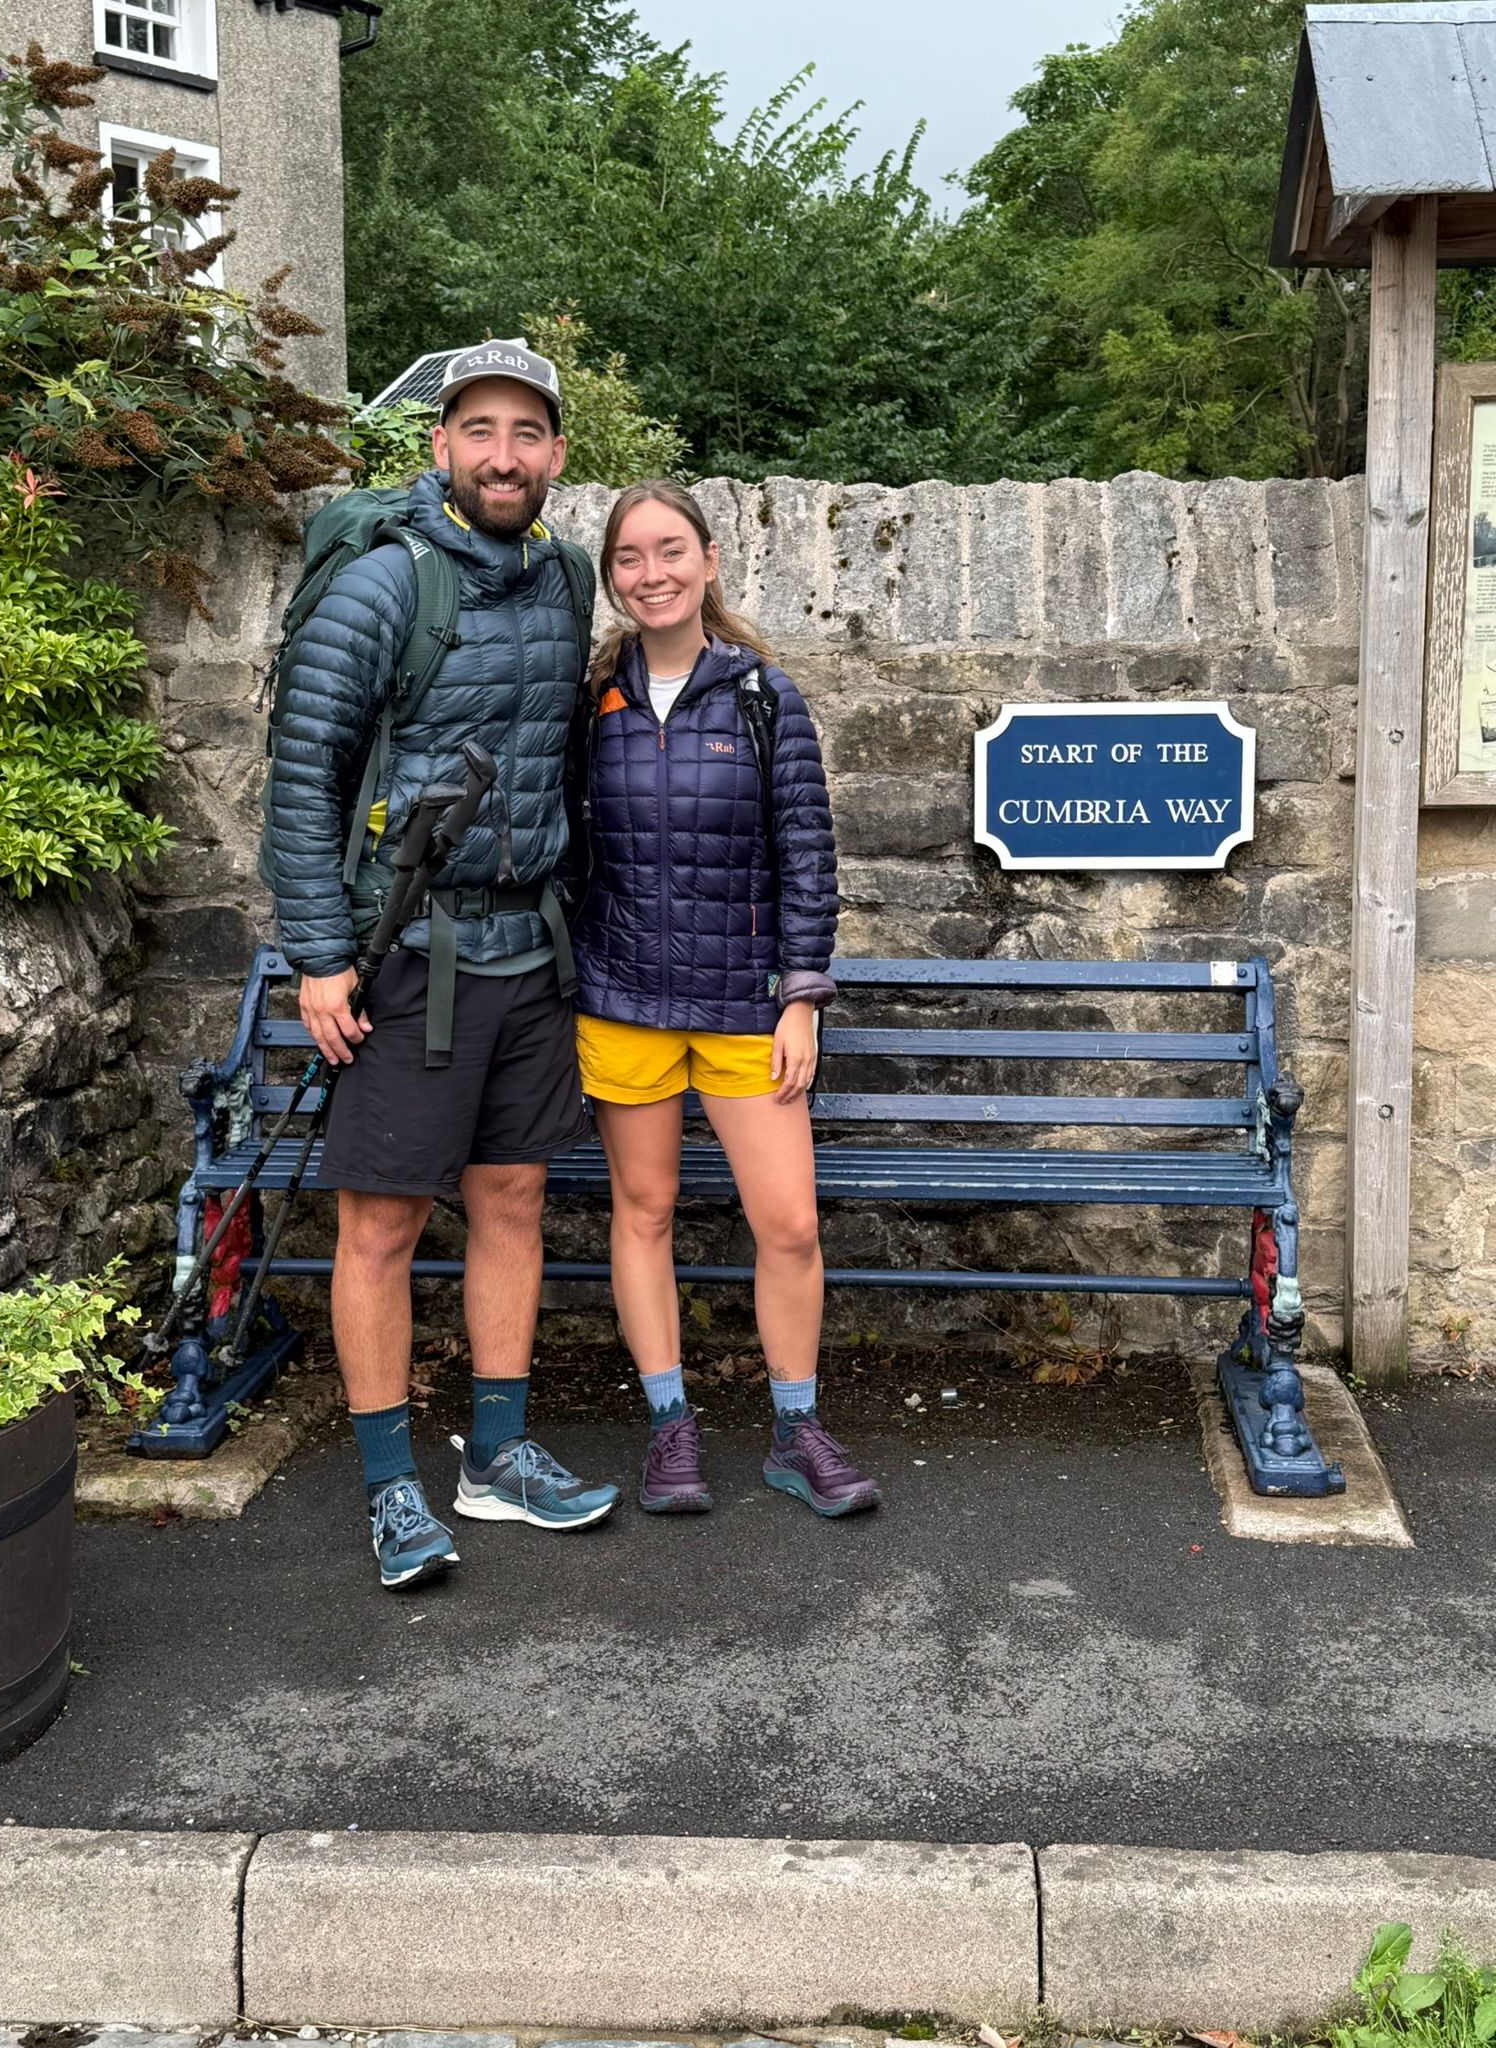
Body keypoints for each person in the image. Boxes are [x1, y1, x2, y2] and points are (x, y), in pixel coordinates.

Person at [269, 339, 619, 1591]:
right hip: (408, 954)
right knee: (382, 1223)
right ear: (440, 447)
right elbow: (302, 776)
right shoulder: (383, 587)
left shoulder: (567, 577)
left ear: (557, 456)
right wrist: (320, 957)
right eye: (481, 431)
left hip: (529, 950)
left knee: (512, 1199)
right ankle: (389, 1486)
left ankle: (501, 1454)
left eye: (528, 434)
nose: (505, 455)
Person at [570, 481, 880, 1519]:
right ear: (613, 575)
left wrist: (802, 997)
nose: (650, 573)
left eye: (669, 551)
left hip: (747, 1006)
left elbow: (807, 855)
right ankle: (669, 1425)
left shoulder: (762, 697)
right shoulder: (592, 698)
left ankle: (797, 1431)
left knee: (789, 1224)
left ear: (709, 559)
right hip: (622, 1000)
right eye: (628, 557)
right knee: (643, 1210)